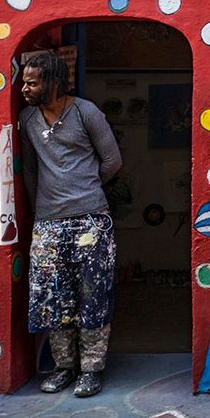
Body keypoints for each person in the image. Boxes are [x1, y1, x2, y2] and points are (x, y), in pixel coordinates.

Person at [18, 50, 122, 397]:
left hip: (91, 220)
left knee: (93, 295)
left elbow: (112, 160)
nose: (24, 88)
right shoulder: (27, 119)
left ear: (52, 82)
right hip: (48, 223)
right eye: (24, 81)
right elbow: (31, 170)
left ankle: (91, 370)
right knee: (53, 298)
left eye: (32, 83)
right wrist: (41, 210)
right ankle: (64, 367)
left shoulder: (85, 112)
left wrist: (85, 190)